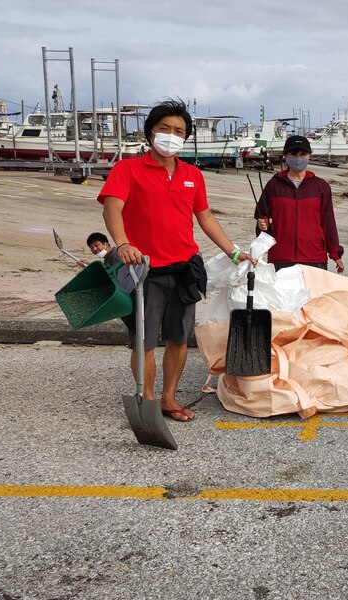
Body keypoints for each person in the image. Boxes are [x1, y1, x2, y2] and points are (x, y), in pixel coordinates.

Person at [97, 99, 255, 422]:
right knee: (144, 343)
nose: (171, 135)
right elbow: (111, 207)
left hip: (184, 269)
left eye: (179, 131)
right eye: (165, 129)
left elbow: (205, 217)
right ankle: (149, 402)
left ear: (186, 137)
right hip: (144, 272)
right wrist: (123, 243)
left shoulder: (192, 175)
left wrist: (234, 251)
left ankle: (169, 398)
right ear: (150, 133)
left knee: (179, 339)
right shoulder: (127, 170)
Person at [255, 135, 344, 273]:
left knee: (314, 295)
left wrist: (335, 253)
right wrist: (263, 224)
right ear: (285, 155)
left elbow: (328, 222)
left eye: (303, 154)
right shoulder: (273, 185)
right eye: (293, 154)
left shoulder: (321, 186)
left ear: (310, 155)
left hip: (314, 258)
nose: (298, 158)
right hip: (281, 257)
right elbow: (262, 217)